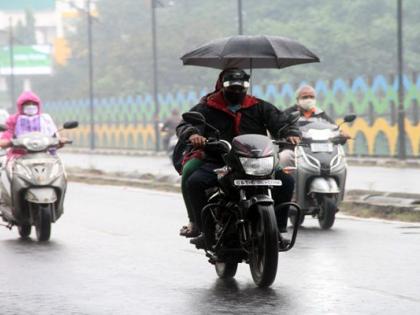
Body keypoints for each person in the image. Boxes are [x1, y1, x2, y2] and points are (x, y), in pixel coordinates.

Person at [176, 68, 301, 248]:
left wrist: (291, 133)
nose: (237, 91)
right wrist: (193, 134)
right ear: (222, 86)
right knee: (195, 183)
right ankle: (204, 230)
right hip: (219, 161)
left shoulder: (259, 106)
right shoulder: (207, 107)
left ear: (247, 87)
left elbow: (281, 123)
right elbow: (186, 124)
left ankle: (278, 231)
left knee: (286, 182)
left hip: (257, 161)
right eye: (232, 87)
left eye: (241, 88)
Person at [280, 85, 350, 167]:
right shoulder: (288, 113)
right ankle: (288, 179)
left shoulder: (321, 114)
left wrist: (341, 134)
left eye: (311, 97)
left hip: (320, 151)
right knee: (285, 157)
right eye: (305, 97)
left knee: (341, 160)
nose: (308, 100)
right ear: (297, 99)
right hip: (294, 150)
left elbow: (333, 127)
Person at [0, 91, 67, 157]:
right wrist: (8, 142)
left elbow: (53, 137)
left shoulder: (45, 119)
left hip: (43, 156)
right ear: (20, 106)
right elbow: (6, 136)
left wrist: (60, 141)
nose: (31, 106)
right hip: (18, 157)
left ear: (38, 105)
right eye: (27, 104)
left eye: (33, 104)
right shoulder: (13, 120)